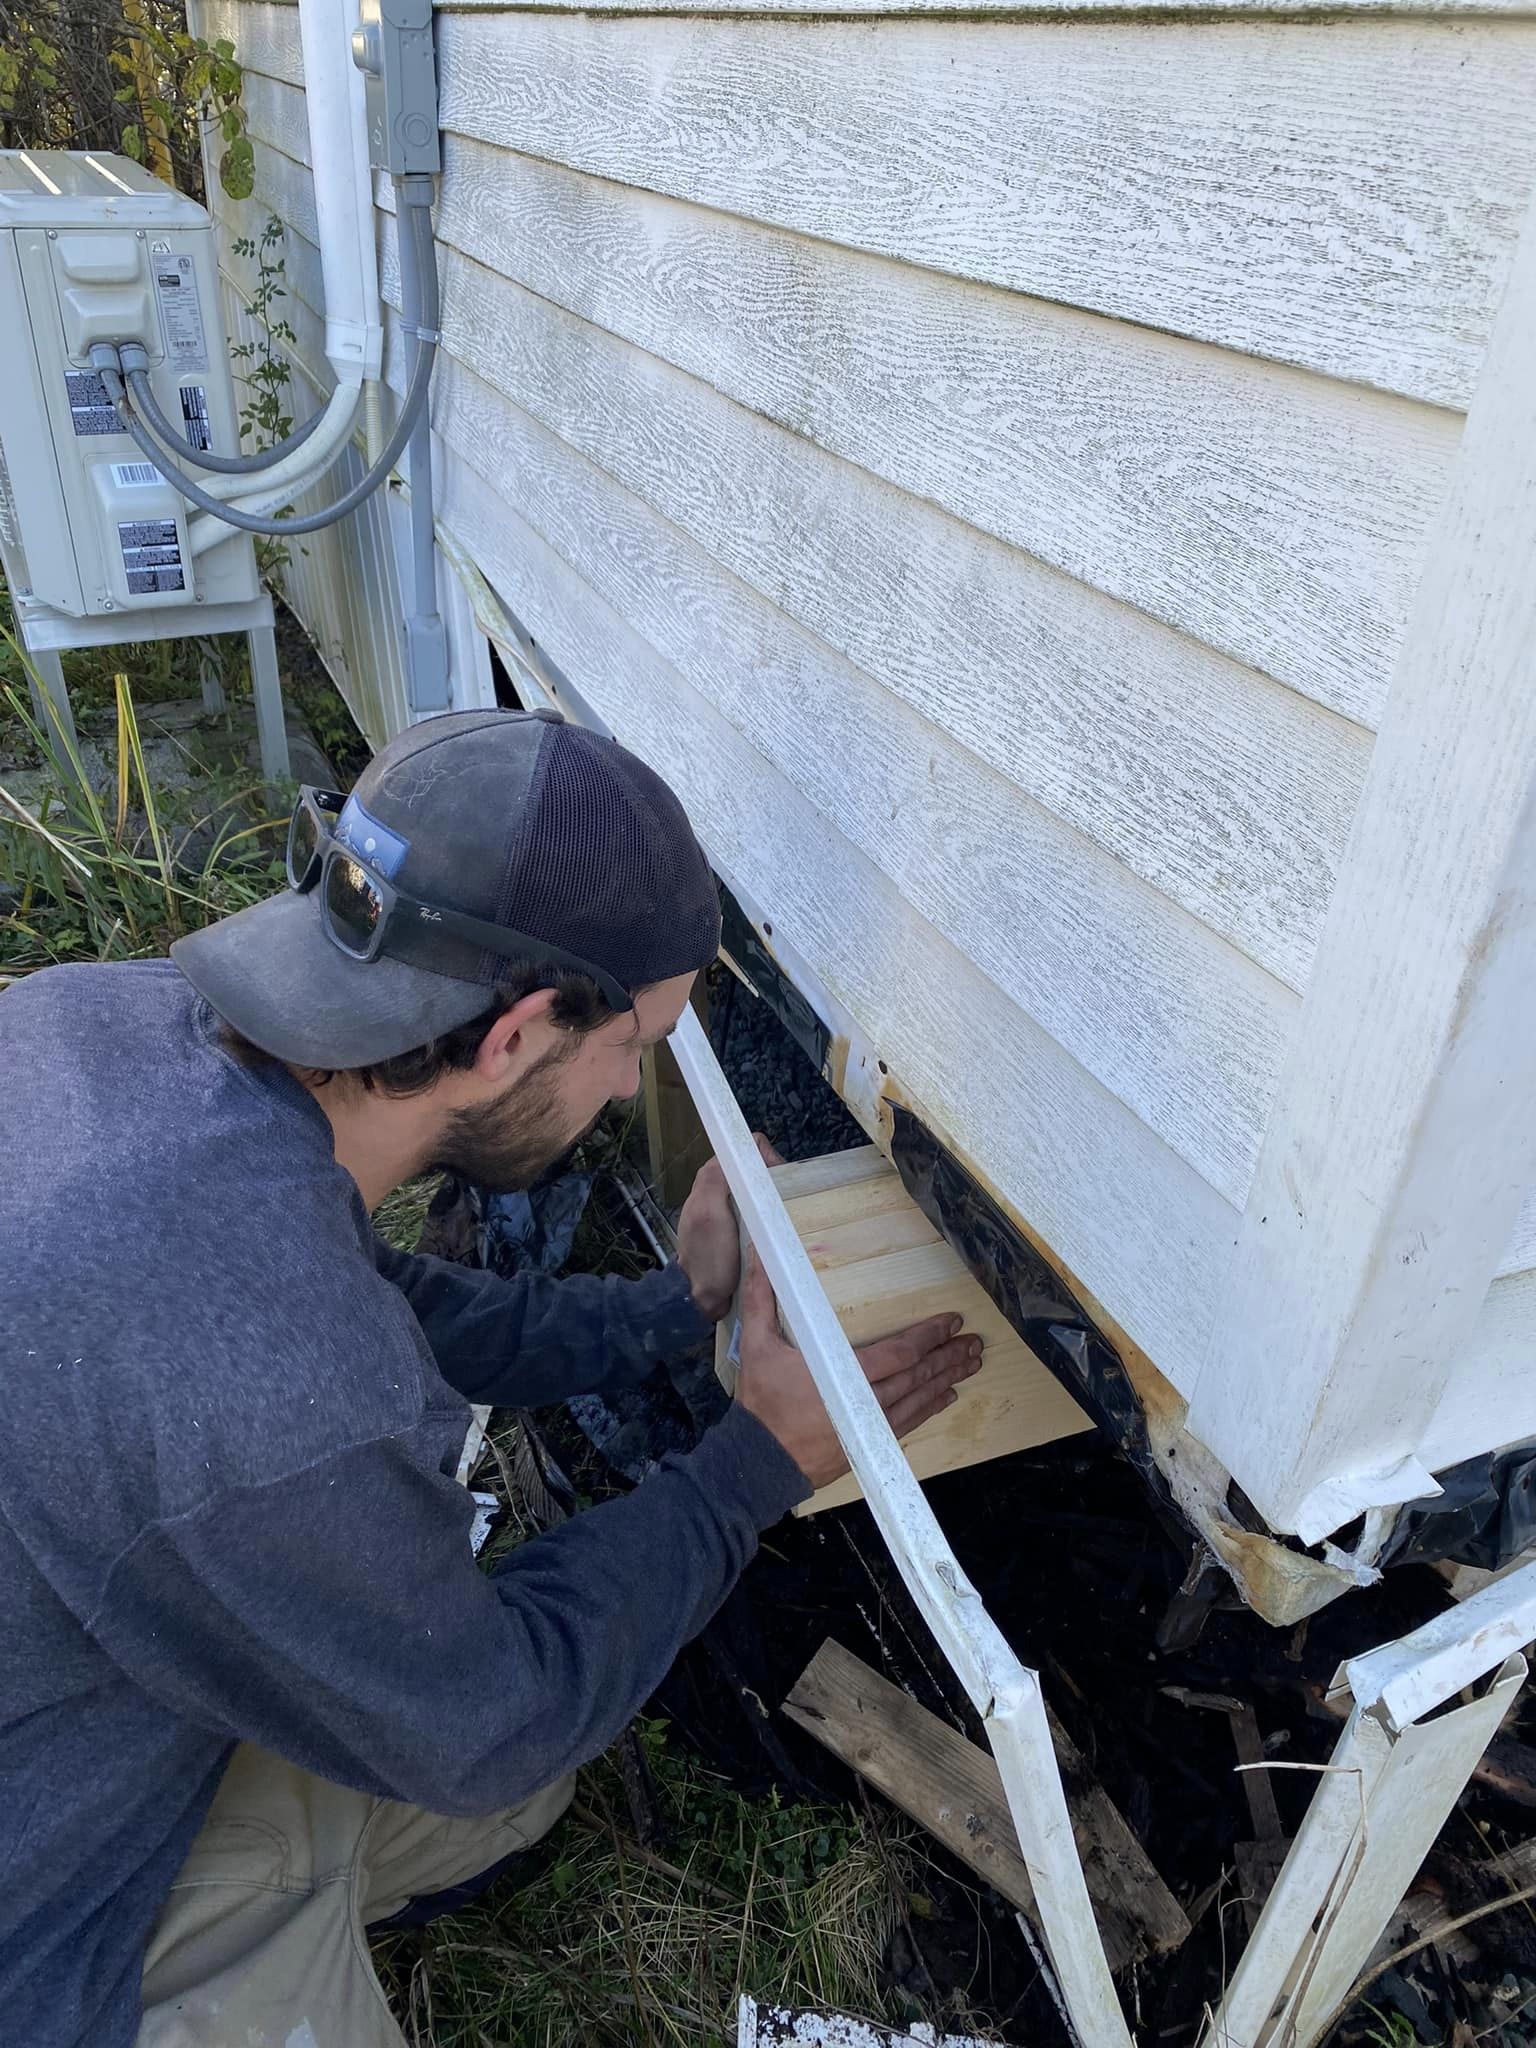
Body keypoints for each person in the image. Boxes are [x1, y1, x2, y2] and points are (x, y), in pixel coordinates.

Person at [0, 707, 982, 2048]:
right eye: (632, 1046)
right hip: (39, 1927)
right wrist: (755, 1466)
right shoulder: (272, 1399)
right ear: (516, 1036)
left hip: (70, 1684)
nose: (629, 1088)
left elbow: (354, 1296)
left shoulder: (100, 1032)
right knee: (500, 1753)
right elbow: (491, 1718)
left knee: (516, 1792)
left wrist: (672, 1307)